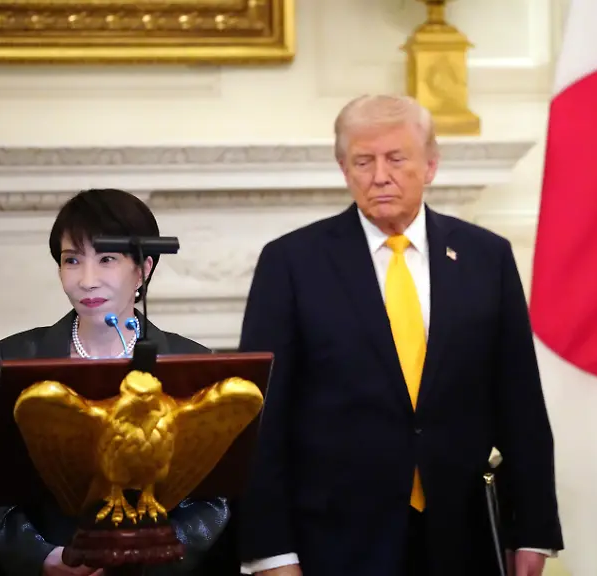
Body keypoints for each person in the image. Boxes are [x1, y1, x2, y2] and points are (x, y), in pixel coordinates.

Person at [236, 95, 564, 576]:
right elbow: (261, 416)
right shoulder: (291, 264)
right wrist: (271, 553)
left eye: (396, 158)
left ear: (430, 165)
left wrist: (532, 530)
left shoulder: (486, 258)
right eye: (363, 161)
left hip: (462, 537)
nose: (380, 176)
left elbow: (521, 406)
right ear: (344, 169)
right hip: (334, 542)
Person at [0, 188, 234, 576]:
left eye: (106, 259)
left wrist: (147, 560)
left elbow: (212, 498)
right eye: (72, 260)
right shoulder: (16, 356)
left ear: (144, 268)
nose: (87, 281)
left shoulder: (190, 361)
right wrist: (44, 558)